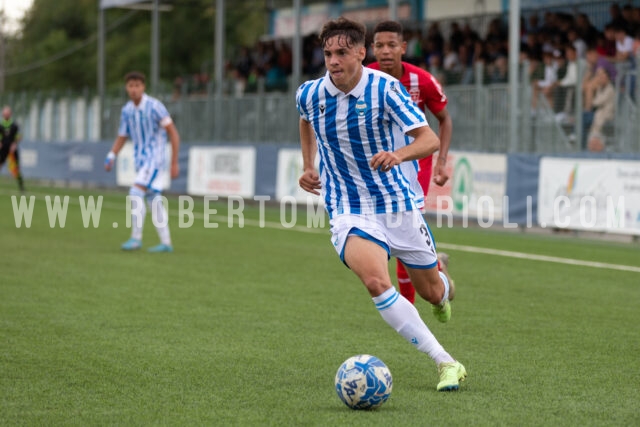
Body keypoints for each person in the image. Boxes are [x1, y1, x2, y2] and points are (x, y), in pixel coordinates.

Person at [296, 17, 466, 392]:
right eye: (328, 54)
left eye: (342, 52)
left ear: (361, 52)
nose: (333, 61)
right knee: (376, 280)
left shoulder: (386, 90)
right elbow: (305, 120)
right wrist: (308, 165)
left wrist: (399, 154)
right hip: (348, 208)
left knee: (431, 293)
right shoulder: (310, 93)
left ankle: (443, 284)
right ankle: (447, 363)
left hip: (398, 205)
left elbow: (429, 138)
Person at [367, 20, 454, 306]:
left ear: (403, 48)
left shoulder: (422, 81)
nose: (385, 51)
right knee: (390, 233)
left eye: (392, 45)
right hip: (381, 163)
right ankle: (436, 269)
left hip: (416, 164)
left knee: (404, 227)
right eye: (379, 45)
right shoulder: (365, 77)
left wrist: (441, 163)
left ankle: (410, 305)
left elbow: (444, 120)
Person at [104, 71, 180, 252]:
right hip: (140, 160)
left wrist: (174, 162)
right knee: (153, 199)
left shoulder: (155, 106)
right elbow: (122, 136)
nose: (134, 89)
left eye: (137, 85)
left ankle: (136, 238)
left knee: (135, 192)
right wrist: (111, 155)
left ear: (143, 87)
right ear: (126, 88)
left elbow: (173, 133)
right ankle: (166, 243)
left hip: (154, 159)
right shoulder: (127, 110)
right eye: (130, 85)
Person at [0, 106, 26, 192]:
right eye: (5, 112)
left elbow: (19, 136)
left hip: (12, 149)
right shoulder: (1, 125)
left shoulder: (14, 125)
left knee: (16, 168)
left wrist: (14, 144)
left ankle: (21, 187)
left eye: (7, 112)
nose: (6, 114)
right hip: (3, 149)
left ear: (10, 114)